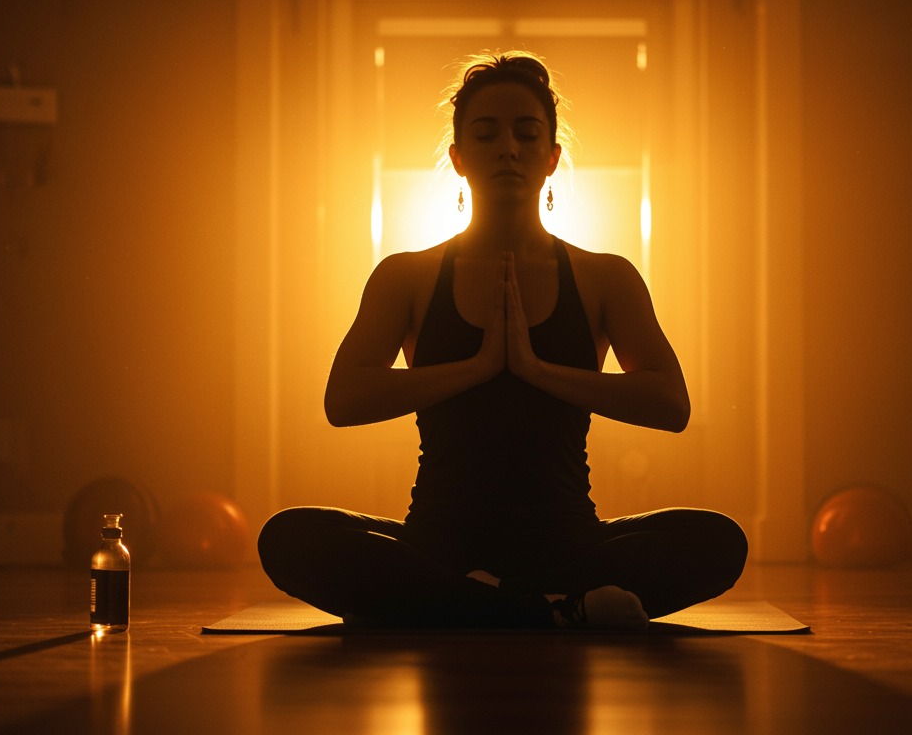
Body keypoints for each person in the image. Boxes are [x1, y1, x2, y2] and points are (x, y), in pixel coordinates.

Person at [258, 51, 747, 629]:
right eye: (487, 134)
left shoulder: (605, 276)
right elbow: (343, 401)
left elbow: (671, 404)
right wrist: (478, 365)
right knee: (289, 535)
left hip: (568, 545)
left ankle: (458, 605)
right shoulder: (406, 276)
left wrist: (537, 370)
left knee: (718, 540)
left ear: (552, 156)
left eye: (527, 133)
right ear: (459, 158)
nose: (508, 148)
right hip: (438, 543)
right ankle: (552, 609)